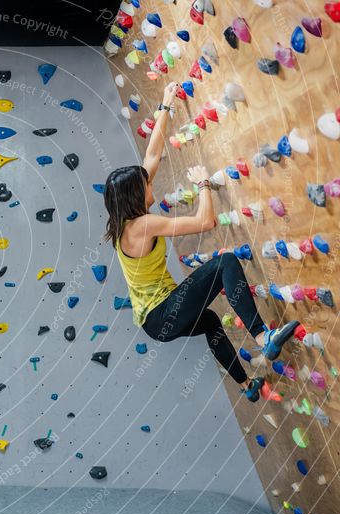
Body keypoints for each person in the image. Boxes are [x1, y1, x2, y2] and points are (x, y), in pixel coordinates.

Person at [104, 82, 299, 402]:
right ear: (135, 195)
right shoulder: (142, 225)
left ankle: (246, 384)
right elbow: (205, 222)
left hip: (156, 323)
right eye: (145, 184)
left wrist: (166, 104)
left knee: (209, 321)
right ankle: (264, 337)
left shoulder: (125, 219)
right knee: (224, 263)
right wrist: (204, 185)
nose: (149, 183)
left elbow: (152, 153)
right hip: (161, 314)